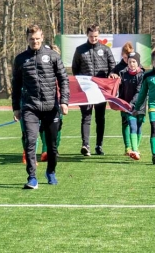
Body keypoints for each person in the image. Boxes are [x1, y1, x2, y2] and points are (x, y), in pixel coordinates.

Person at [12, 24, 70, 189]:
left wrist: (64, 101)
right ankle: (32, 177)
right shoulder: (20, 59)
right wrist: (16, 107)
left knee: (51, 145)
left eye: (37, 39)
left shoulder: (53, 56)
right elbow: (15, 85)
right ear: (27, 39)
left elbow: (63, 79)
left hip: (51, 107)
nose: (34, 42)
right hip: (30, 107)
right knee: (30, 141)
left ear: (42, 37)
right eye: (31, 39)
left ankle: (51, 171)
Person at [71, 24, 115, 156]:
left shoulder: (105, 50)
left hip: (101, 89)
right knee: (86, 116)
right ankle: (85, 145)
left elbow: (112, 65)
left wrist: (112, 73)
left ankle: (99, 146)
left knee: (100, 118)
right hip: (85, 89)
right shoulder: (80, 50)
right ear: (87, 35)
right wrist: (82, 82)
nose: (93, 39)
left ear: (99, 35)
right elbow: (75, 68)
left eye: (96, 36)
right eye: (91, 36)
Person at [118, 51, 146, 160]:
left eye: (134, 61)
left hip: (140, 106)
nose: (132, 64)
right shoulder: (123, 74)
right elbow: (120, 90)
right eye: (130, 62)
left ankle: (136, 149)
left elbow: (139, 92)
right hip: (127, 107)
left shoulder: (142, 75)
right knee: (132, 126)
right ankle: (134, 149)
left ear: (138, 63)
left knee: (139, 127)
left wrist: (132, 103)